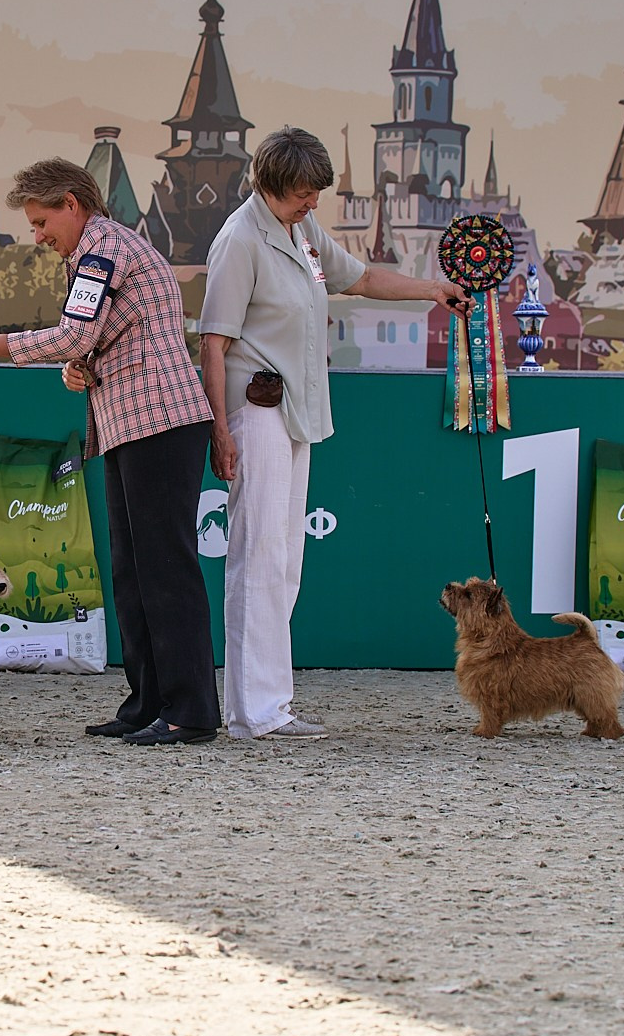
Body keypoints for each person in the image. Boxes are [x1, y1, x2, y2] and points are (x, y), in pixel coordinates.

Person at [198, 127, 467, 739]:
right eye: (302, 192)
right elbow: (213, 342)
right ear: (269, 184)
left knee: (285, 559)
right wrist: (220, 429)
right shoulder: (240, 239)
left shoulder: (302, 230)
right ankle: (254, 712)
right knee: (259, 557)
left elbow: (364, 279)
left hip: (295, 410)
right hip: (255, 409)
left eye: (317, 192)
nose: (313, 201)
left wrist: (432, 288)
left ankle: (267, 705)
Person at [0, 158, 220, 745]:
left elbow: (75, 333)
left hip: (160, 420)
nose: (39, 236)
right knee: (133, 573)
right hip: (136, 422)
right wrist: (79, 368)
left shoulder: (101, 247)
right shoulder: (103, 247)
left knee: (165, 571)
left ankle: (191, 711)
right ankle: (149, 702)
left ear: (74, 203)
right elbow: (96, 341)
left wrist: (1, 344)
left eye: (43, 221)